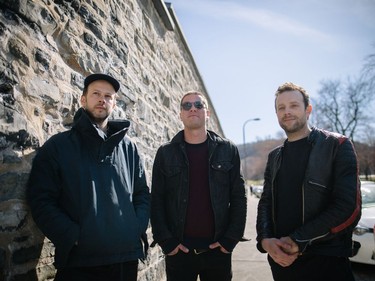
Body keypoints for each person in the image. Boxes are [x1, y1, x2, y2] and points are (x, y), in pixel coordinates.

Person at [27, 73, 150, 281]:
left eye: (108, 96)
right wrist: (73, 236)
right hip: (80, 262)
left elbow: (142, 194)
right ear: (83, 99)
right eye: (96, 94)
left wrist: (134, 228)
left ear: (114, 102)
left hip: (125, 260)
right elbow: (40, 200)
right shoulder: (58, 146)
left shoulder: (129, 148)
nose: (102, 99)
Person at [256, 82, 362, 281]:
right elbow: (266, 202)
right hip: (283, 264)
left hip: (327, 262)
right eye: (281, 108)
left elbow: (349, 207)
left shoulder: (337, 145)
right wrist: (265, 240)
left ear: (308, 109)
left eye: (294, 105)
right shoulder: (274, 156)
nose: (287, 112)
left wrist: (298, 239)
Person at [150, 91, 247, 281]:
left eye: (198, 105)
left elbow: (238, 197)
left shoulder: (228, 150)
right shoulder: (165, 153)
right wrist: (166, 241)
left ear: (207, 113)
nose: (192, 108)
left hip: (218, 251)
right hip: (179, 252)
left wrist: (230, 239)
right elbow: (157, 199)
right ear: (180, 114)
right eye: (187, 105)